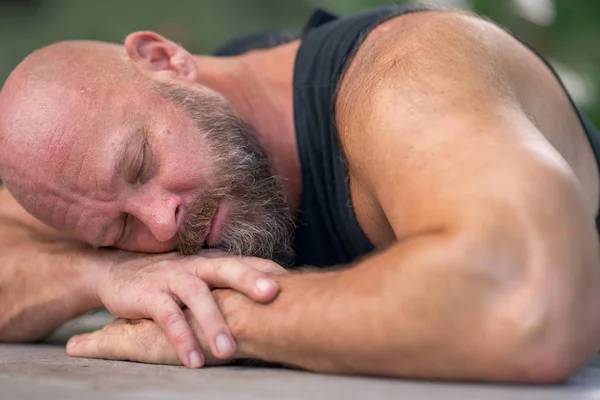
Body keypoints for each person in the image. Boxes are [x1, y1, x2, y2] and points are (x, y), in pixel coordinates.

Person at [0, 4, 599, 383]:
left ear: (165, 60)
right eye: (117, 232)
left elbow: (532, 303)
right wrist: (101, 274)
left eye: (140, 164)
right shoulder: (107, 175)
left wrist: (224, 320)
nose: (158, 226)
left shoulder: (405, 79)